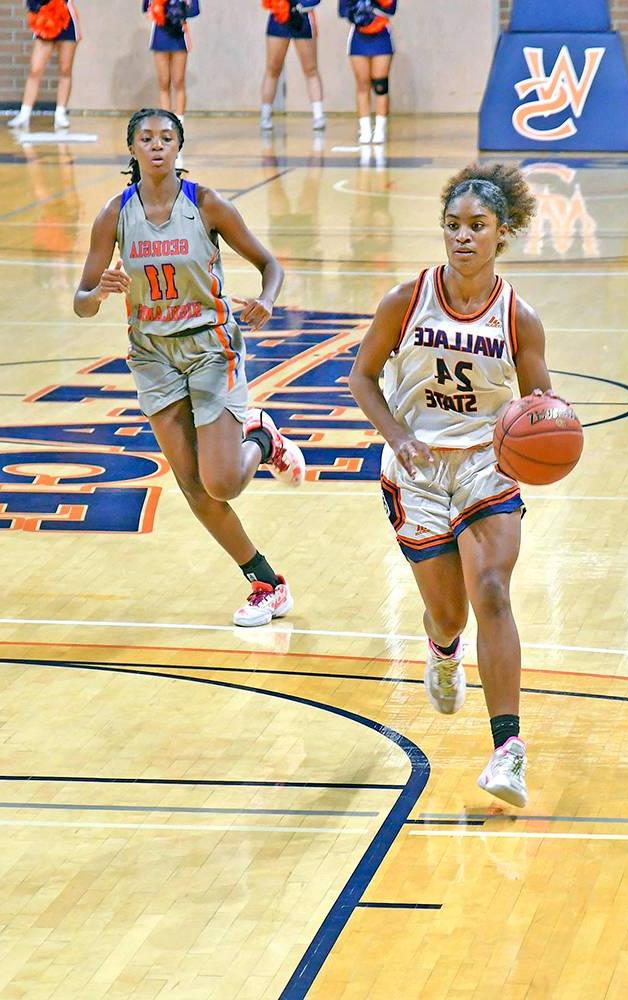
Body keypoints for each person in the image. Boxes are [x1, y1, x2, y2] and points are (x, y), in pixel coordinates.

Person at [349, 164, 552, 808]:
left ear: (502, 233)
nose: (463, 237)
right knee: (449, 611)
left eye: (477, 226)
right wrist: (397, 435)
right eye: (453, 226)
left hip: (488, 465)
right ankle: (442, 649)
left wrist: (549, 428)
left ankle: (508, 752)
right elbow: (361, 377)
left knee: (491, 587)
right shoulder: (405, 300)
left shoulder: (519, 316)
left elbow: (539, 399)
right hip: (418, 468)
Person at [73, 108, 306, 627]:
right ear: (131, 147)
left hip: (209, 347)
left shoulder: (206, 204)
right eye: (146, 138)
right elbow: (80, 301)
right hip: (152, 356)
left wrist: (267, 300)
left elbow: (271, 264)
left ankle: (261, 439)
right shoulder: (114, 214)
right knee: (194, 489)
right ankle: (266, 583)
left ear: (179, 147)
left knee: (222, 483)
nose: (157, 145)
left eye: (167, 137)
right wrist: (99, 291)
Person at [8, 0, 81, 131]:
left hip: (66, 18)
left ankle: (60, 113)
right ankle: (25, 113)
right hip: (45, 17)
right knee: (35, 69)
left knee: (65, 69)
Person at [260, 0, 325, 132]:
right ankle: (265, 115)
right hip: (279, 17)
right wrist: (279, 5)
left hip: (303, 18)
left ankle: (318, 115)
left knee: (311, 69)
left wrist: (300, 7)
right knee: (272, 69)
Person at [338, 0, 396, 144]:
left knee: (380, 86)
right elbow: (342, 10)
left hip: (381, 36)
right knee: (362, 85)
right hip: (359, 37)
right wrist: (356, 10)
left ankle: (380, 129)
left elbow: (392, 10)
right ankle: (365, 129)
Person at [142, 0, 200, 121]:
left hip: (179, 36)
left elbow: (194, 9)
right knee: (163, 81)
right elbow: (146, 7)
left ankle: (179, 121)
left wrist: (181, 10)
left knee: (178, 80)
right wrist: (155, 11)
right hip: (160, 35)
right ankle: (166, 122)